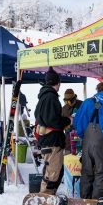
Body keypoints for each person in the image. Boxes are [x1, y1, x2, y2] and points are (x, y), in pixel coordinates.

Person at [35, 67, 71, 197]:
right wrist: (67, 120)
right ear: (58, 83)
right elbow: (53, 120)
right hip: (52, 141)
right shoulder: (50, 97)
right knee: (52, 173)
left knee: (54, 171)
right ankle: (44, 198)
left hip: (50, 140)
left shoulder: (44, 96)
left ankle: (48, 196)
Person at [62, 88, 83, 154]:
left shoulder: (82, 105)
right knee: (68, 160)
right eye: (66, 101)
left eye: (69, 101)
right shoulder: (64, 109)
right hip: (68, 141)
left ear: (74, 98)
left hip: (80, 139)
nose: (68, 103)